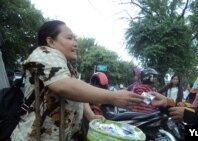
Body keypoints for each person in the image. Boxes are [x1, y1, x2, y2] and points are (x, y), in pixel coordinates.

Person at [11, 20, 144, 141]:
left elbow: (77, 92)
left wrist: (91, 115)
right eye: (70, 38)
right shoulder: (43, 53)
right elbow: (63, 85)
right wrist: (113, 97)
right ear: (51, 42)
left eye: (74, 38)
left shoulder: (66, 65)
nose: (76, 43)